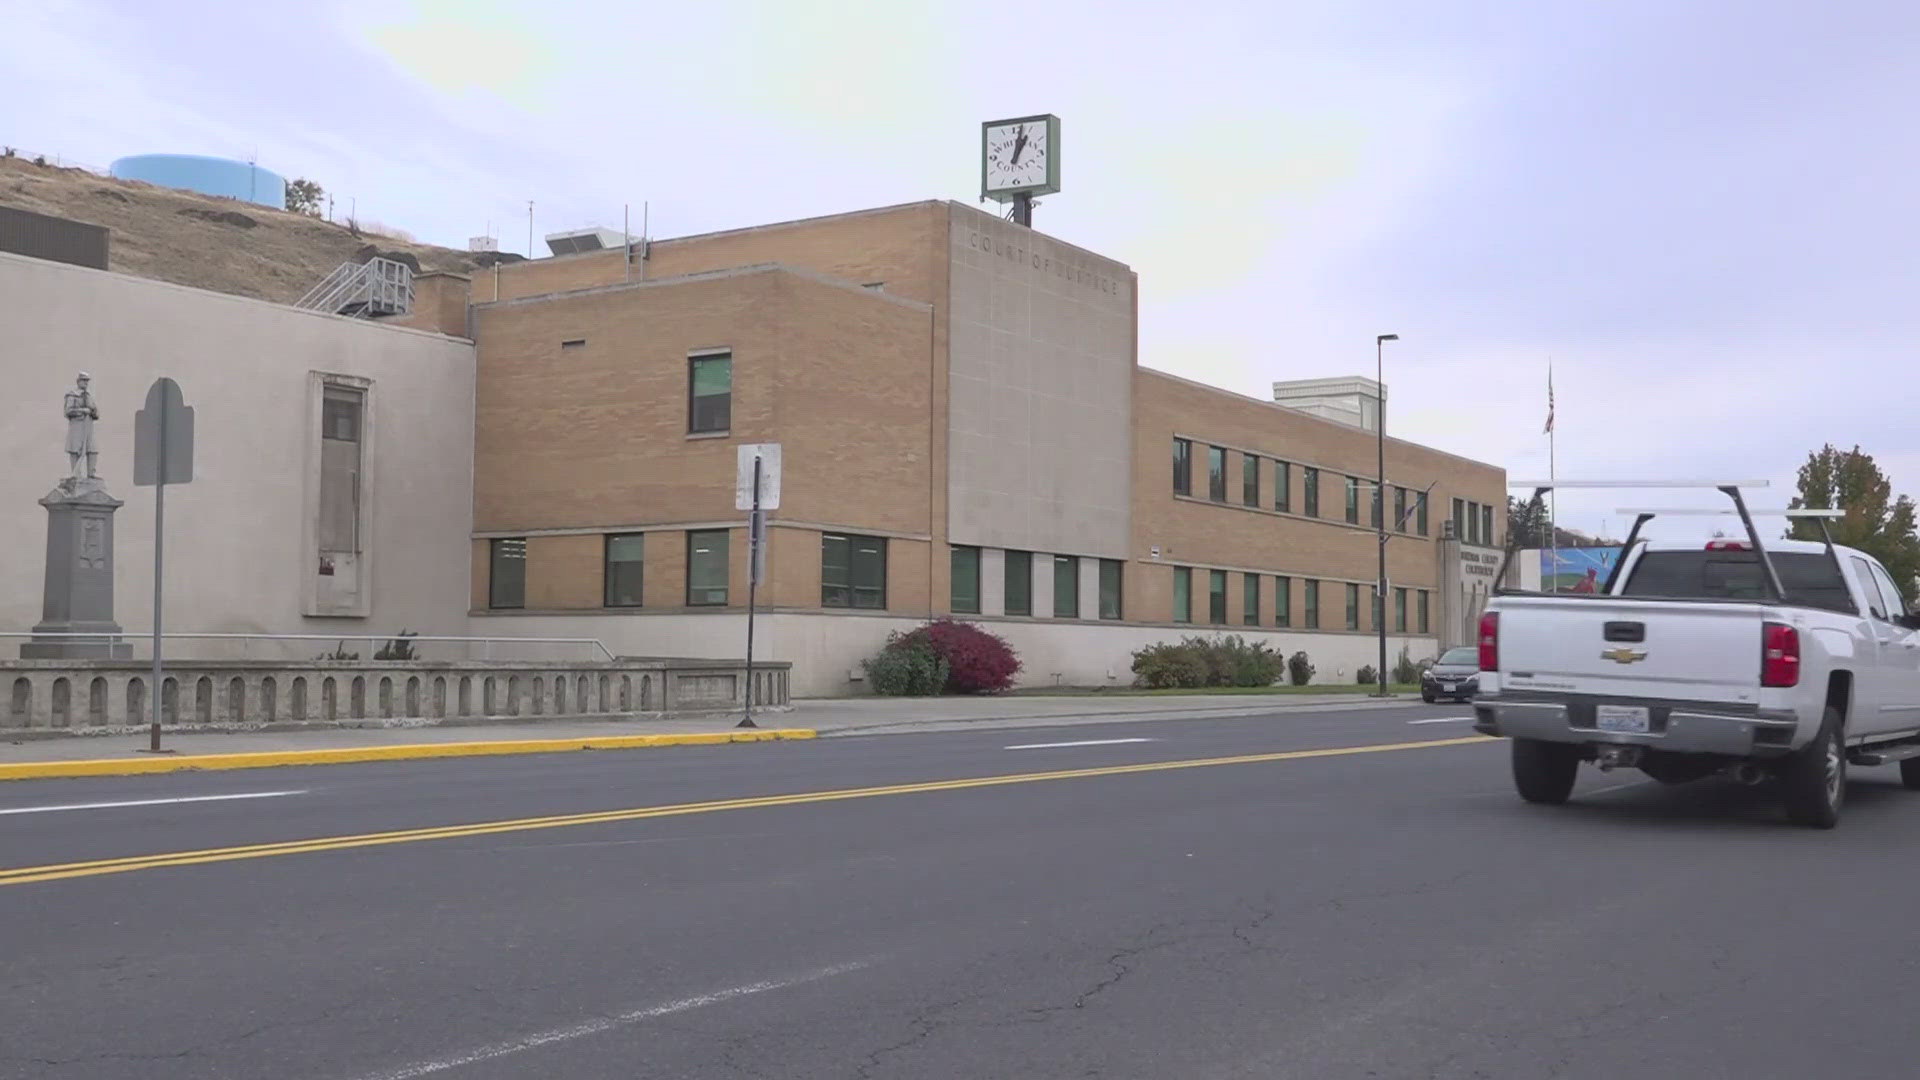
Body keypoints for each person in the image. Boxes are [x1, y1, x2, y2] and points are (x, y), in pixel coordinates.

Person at [65, 372, 99, 481]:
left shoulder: (88, 396)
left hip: (88, 427)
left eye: (87, 381)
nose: (85, 383)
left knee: (92, 449)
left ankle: (91, 474)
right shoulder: (72, 395)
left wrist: (92, 412)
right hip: (77, 426)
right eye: (83, 380)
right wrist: (82, 411)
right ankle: (75, 474)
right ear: (78, 381)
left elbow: (96, 413)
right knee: (75, 449)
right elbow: (68, 411)